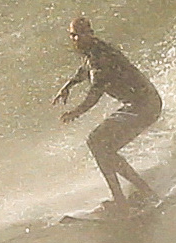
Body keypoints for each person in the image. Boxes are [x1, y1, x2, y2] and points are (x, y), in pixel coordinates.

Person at [58, 16, 163, 208]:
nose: (75, 39)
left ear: (90, 33)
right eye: (72, 35)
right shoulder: (93, 51)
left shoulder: (101, 57)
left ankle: (131, 197)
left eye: (79, 35)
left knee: (97, 143)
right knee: (100, 146)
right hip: (139, 104)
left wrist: (75, 113)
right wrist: (69, 85)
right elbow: (85, 70)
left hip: (145, 106)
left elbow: (95, 93)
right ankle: (132, 195)